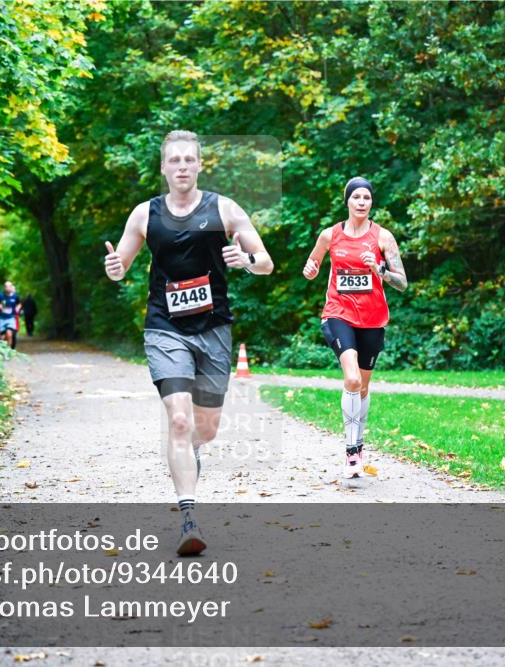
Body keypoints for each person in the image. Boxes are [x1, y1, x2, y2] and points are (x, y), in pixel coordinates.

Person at [103, 130, 274, 556]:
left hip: (214, 330)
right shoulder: (145, 214)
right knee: (178, 421)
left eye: (188, 160)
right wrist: (114, 268)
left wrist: (246, 261)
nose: (181, 166)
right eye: (173, 160)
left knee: (205, 429)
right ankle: (189, 518)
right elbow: (120, 265)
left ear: (199, 166)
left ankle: (194, 448)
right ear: (163, 168)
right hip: (165, 328)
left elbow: (267, 263)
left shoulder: (225, 209)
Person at [302, 177, 408, 479]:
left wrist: (380, 269)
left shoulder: (383, 237)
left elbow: (402, 282)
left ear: (371, 202)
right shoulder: (329, 235)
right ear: (347, 201)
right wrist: (310, 270)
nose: (361, 202)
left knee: (362, 386)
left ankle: (359, 444)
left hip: (373, 319)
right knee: (350, 379)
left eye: (366, 198)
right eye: (356, 197)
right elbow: (312, 266)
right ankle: (350, 453)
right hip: (338, 313)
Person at [0, 281, 22, 350]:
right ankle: (3, 350)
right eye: (6, 286)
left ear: (12, 287)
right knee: (2, 337)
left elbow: (19, 303)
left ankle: (9, 351)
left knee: (9, 334)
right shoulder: (0, 296)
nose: (8, 288)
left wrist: (18, 308)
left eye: (9, 286)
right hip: (1, 318)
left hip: (11, 318)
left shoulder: (15, 296)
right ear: (4, 288)